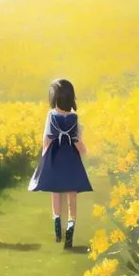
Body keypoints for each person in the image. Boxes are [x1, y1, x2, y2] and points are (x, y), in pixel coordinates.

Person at [28, 78, 92, 248]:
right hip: (70, 157)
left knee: (55, 191)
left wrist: (44, 155)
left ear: (54, 98)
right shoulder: (74, 117)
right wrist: (85, 152)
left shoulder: (51, 115)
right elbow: (77, 139)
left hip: (54, 156)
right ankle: (71, 225)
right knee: (72, 194)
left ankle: (57, 222)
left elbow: (47, 138)